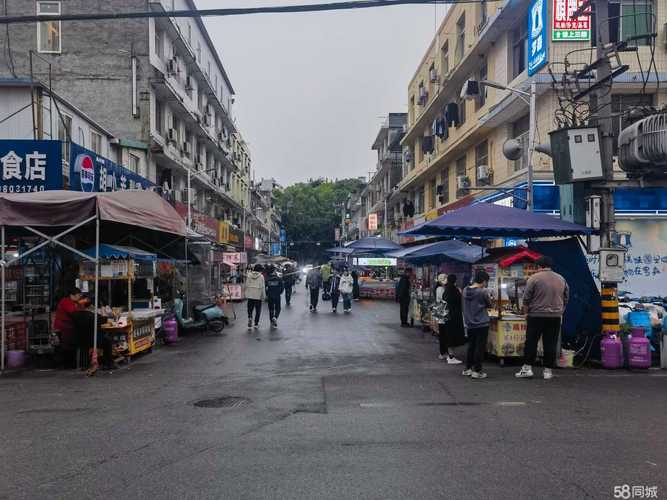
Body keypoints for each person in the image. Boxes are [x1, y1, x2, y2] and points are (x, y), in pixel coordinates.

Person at [516, 256, 569, 380]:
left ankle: (527, 368)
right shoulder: (561, 278)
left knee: (531, 342)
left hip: (536, 316)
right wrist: (560, 310)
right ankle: (548, 371)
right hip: (555, 317)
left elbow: (526, 298)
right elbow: (566, 297)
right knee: (550, 343)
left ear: (539, 266)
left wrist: (525, 312)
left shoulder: (534, 278)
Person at [462, 270, 492, 379]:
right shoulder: (482, 292)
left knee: (471, 346)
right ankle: (477, 371)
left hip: (469, 323)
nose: (486, 284)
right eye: (486, 282)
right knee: (480, 347)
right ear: (483, 281)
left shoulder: (465, 290)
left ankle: (468, 369)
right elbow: (489, 305)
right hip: (482, 323)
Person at [435, 274, 463, 365]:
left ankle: (444, 353)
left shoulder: (445, 289)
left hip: (443, 314)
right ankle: (447, 354)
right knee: (446, 335)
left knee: (444, 334)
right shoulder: (444, 290)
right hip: (447, 314)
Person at [54, 287, 82, 368]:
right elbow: (74, 313)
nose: (79, 297)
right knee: (66, 347)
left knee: (68, 346)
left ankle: (69, 364)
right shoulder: (66, 301)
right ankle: (66, 365)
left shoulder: (73, 302)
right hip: (63, 327)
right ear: (72, 295)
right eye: (78, 295)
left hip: (68, 327)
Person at [245, 264, 266, 331]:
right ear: (260, 269)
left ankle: (250, 317)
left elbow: (246, 285)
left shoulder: (249, 275)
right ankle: (256, 324)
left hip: (250, 295)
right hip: (258, 295)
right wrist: (264, 296)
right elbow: (263, 287)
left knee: (250, 308)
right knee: (258, 310)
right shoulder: (261, 276)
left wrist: (246, 294)